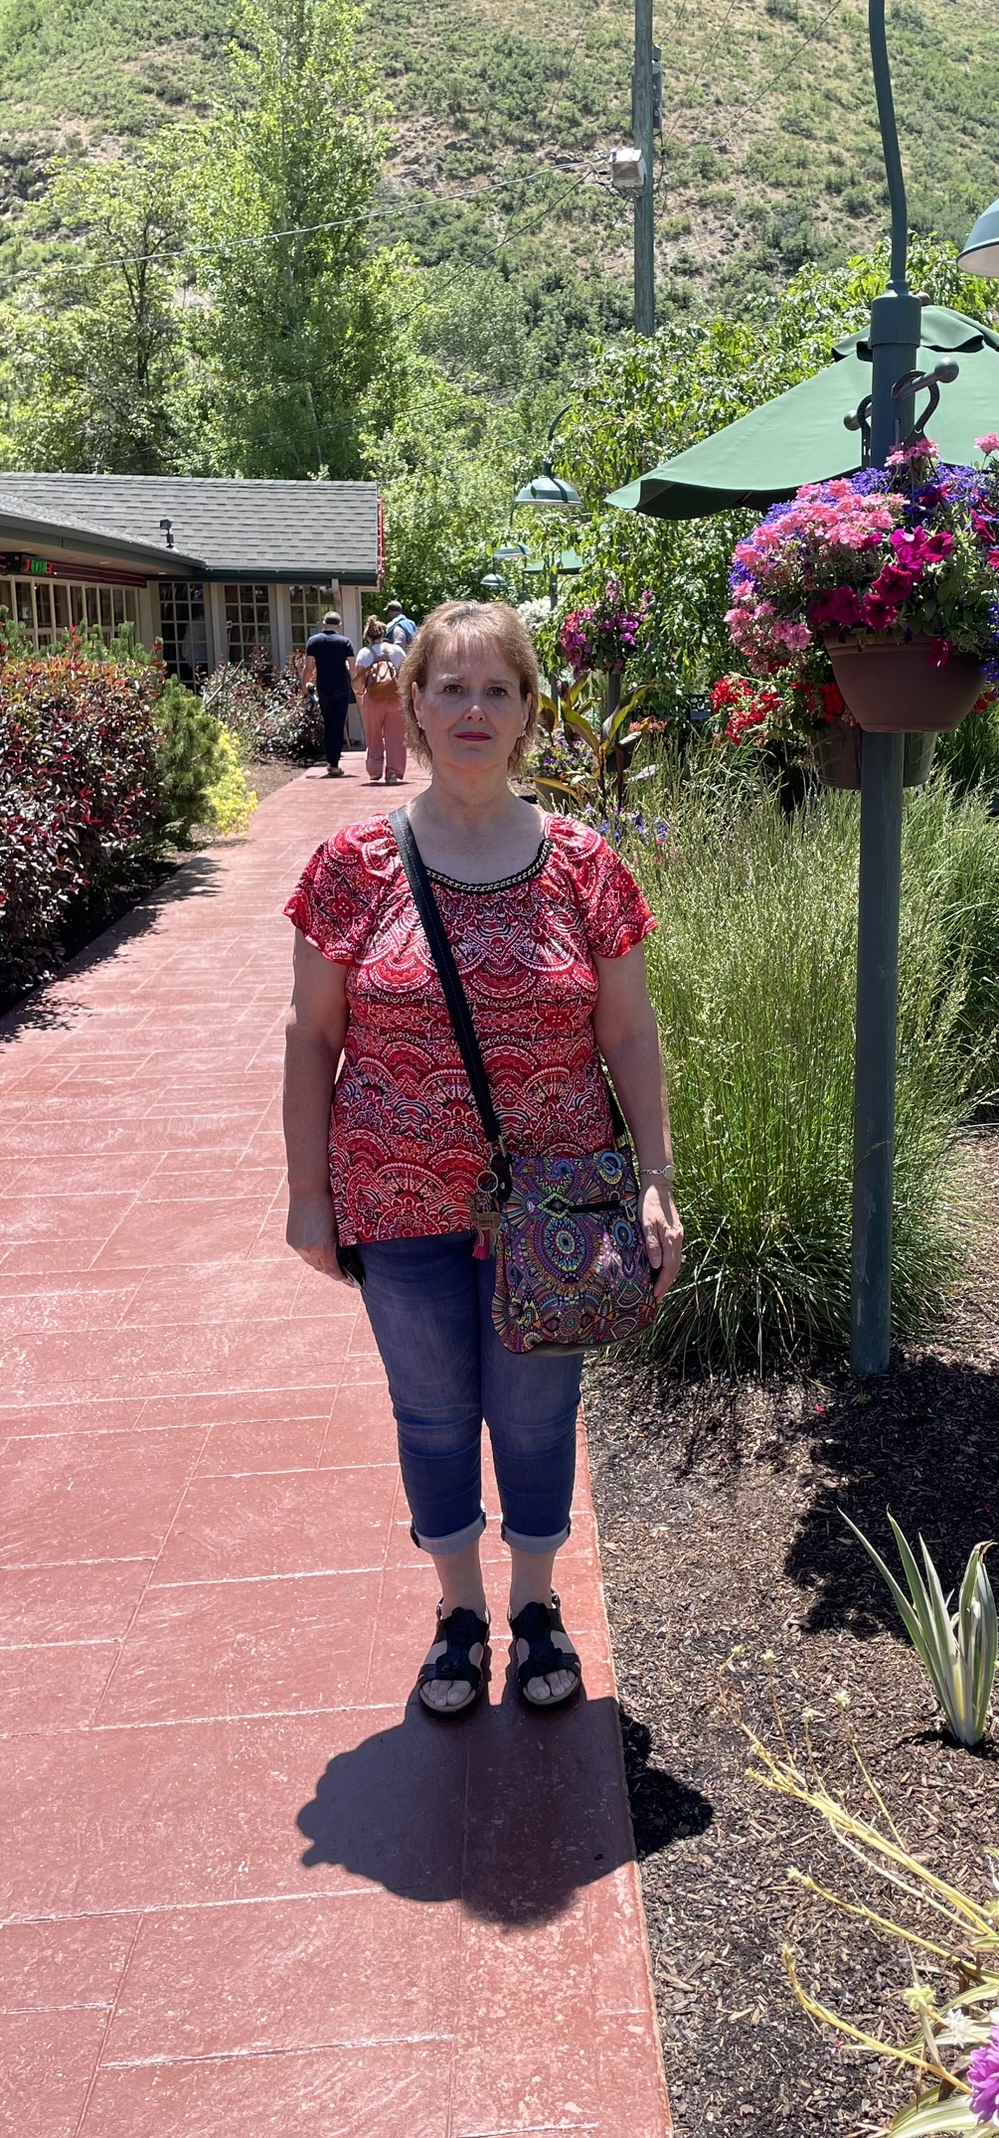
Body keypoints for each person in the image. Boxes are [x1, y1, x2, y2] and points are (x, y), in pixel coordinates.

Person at [282, 599, 683, 1719]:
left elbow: (630, 1032)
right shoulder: (351, 866)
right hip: (394, 1194)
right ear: (409, 704)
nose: (471, 708)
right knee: (432, 1412)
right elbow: (310, 1036)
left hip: (559, 1202)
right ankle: (459, 1613)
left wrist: (656, 1180)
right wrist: (308, 1195)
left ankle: (536, 1605)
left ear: (525, 713)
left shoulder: (585, 865)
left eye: (494, 689)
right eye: (449, 687)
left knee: (538, 1414)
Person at [352, 614, 407, 785]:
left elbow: (360, 681)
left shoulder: (364, 653)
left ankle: (375, 770)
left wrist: (361, 692)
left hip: (373, 699)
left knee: (373, 735)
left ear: (368, 636)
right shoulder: (397, 651)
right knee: (396, 737)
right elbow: (405, 674)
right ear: (384, 634)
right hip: (395, 698)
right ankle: (393, 773)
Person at [302, 610, 357, 777]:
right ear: (339, 625)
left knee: (328, 724)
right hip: (341, 688)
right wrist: (358, 687)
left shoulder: (314, 641)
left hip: (324, 688)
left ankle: (330, 761)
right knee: (338, 724)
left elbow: (309, 667)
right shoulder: (345, 642)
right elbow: (353, 669)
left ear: (324, 623)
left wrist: (303, 686)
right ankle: (334, 763)